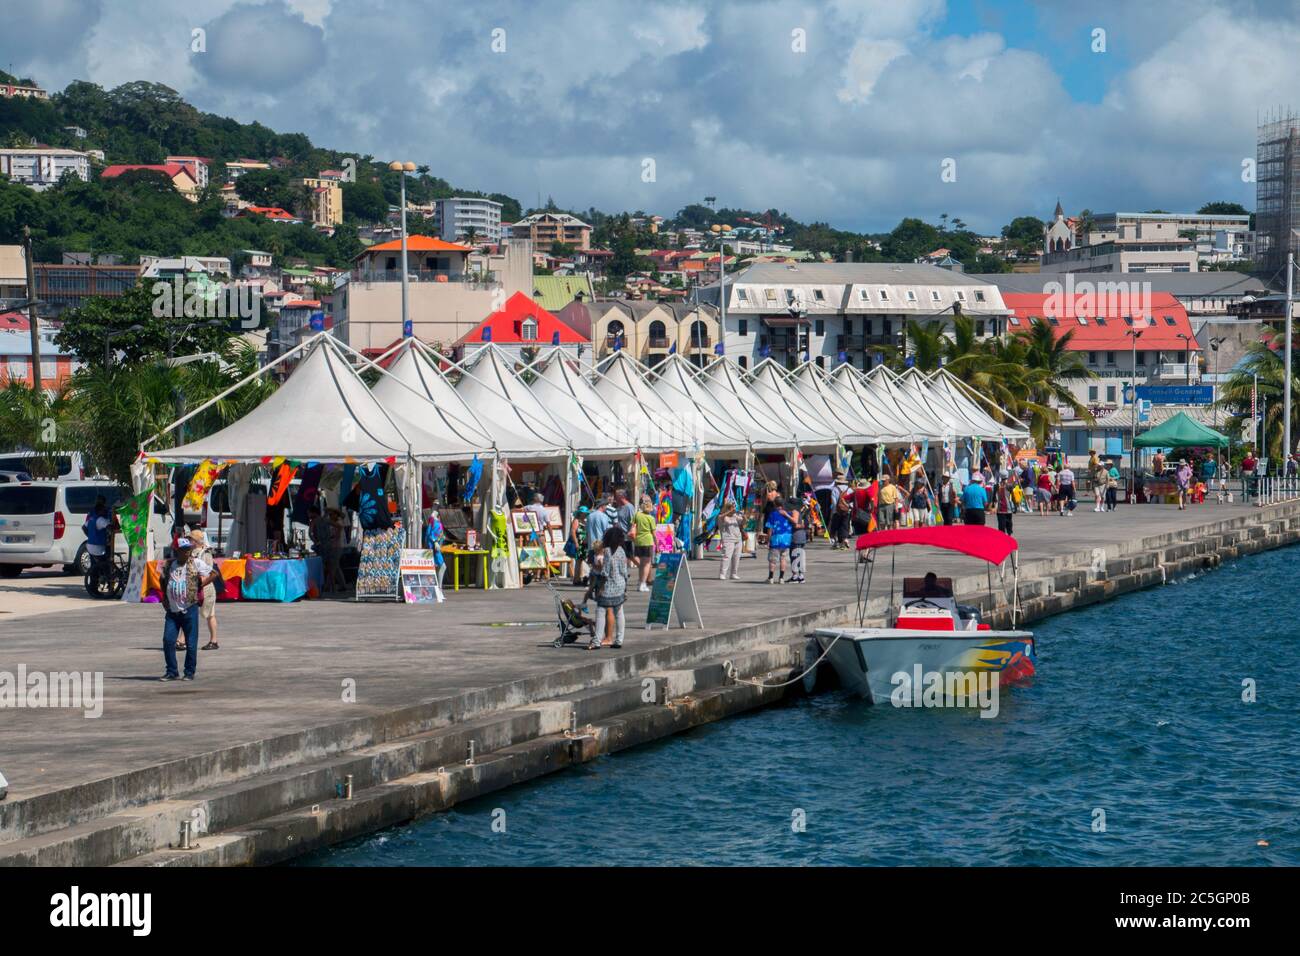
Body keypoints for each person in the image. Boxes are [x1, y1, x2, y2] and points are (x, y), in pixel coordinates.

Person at [160, 538, 218, 681]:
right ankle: (172, 671)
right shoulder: (169, 565)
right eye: (184, 550)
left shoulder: (195, 563)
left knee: (191, 643)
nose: (187, 552)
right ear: (177, 551)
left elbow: (214, 573)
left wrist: (201, 584)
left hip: (189, 609)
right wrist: (164, 598)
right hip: (172, 611)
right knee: (168, 640)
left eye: (188, 550)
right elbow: (162, 580)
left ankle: (189, 672)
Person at [588, 527, 628, 650]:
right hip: (620, 584)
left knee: (600, 611)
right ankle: (619, 640)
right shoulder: (622, 551)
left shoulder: (607, 551)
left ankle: (596, 641)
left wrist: (599, 587)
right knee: (619, 612)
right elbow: (624, 571)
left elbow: (605, 572)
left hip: (608, 586)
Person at [189, 529, 221, 650]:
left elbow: (209, 571)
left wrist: (201, 582)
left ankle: (214, 640)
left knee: (210, 615)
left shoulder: (205, 553)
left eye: (191, 539)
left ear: (196, 540)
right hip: (194, 587)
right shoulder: (191, 552)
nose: (189, 541)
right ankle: (182, 640)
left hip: (206, 588)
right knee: (188, 614)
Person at [765, 498, 794, 584]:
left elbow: (770, 528)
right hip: (786, 539)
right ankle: (781, 578)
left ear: (775, 504)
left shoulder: (773, 514)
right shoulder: (788, 514)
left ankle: (771, 578)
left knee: (773, 560)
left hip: (775, 539)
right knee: (783, 558)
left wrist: (768, 540)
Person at [632, 496, 656, 591]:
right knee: (647, 564)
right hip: (647, 541)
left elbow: (633, 526)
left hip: (638, 541)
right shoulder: (651, 518)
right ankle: (643, 583)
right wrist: (657, 544)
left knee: (641, 563)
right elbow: (654, 534)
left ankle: (640, 582)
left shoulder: (637, 515)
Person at [717, 499, 743, 581]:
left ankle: (734, 573)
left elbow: (743, 522)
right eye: (732, 508)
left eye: (734, 507)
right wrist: (729, 511)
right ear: (728, 508)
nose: (734, 509)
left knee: (736, 557)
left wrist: (744, 516)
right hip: (728, 539)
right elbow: (721, 517)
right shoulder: (723, 517)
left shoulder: (735, 516)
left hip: (738, 539)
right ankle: (722, 574)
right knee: (726, 556)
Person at [787, 497, 808, 584]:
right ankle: (800, 576)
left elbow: (795, 524)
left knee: (795, 556)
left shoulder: (794, 512)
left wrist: (787, 518)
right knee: (800, 556)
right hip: (802, 536)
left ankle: (796, 576)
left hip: (796, 536)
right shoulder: (801, 512)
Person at [830, 474, 854, 548]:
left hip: (837, 512)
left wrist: (835, 510)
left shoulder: (834, 489)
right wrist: (849, 508)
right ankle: (845, 540)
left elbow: (834, 502)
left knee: (835, 527)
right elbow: (852, 501)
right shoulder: (849, 490)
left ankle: (835, 542)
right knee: (844, 526)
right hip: (847, 511)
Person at [569, 505, 590, 585]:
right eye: (583, 513)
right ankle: (576, 579)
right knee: (578, 561)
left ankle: (579, 578)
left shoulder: (584, 520)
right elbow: (573, 532)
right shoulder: (576, 520)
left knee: (581, 560)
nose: (584, 514)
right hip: (579, 542)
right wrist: (576, 543)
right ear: (580, 513)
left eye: (585, 513)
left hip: (584, 543)